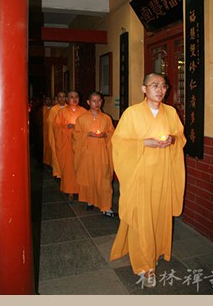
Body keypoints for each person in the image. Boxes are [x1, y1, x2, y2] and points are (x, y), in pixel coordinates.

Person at [109, 73, 185, 281]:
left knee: (159, 214)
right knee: (141, 218)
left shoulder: (170, 112)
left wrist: (172, 140)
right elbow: (119, 142)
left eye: (163, 86)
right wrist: (143, 143)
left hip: (163, 174)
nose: (160, 90)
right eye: (154, 85)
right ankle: (144, 265)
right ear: (144, 89)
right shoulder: (132, 113)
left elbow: (180, 137)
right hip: (140, 175)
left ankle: (155, 250)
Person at [73, 91, 114, 215]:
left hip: (102, 153)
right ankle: (90, 200)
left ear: (102, 102)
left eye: (99, 101)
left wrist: (105, 135)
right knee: (90, 177)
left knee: (104, 179)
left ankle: (106, 206)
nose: (96, 103)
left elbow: (113, 134)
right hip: (88, 153)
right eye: (94, 101)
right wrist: (87, 134)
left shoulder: (106, 118)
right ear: (88, 102)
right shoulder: (82, 118)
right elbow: (76, 135)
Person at [55, 90, 86, 198]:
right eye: (71, 97)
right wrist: (65, 127)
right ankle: (70, 190)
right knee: (69, 168)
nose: (74, 99)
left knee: (80, 166)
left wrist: (77, 128)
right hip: (67, 144)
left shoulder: (84, 111)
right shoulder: (61, 112)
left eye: (76, 96)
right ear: (67, 100)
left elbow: (87, 126)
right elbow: (57, 127)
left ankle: (81, 189)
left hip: (80, 144)